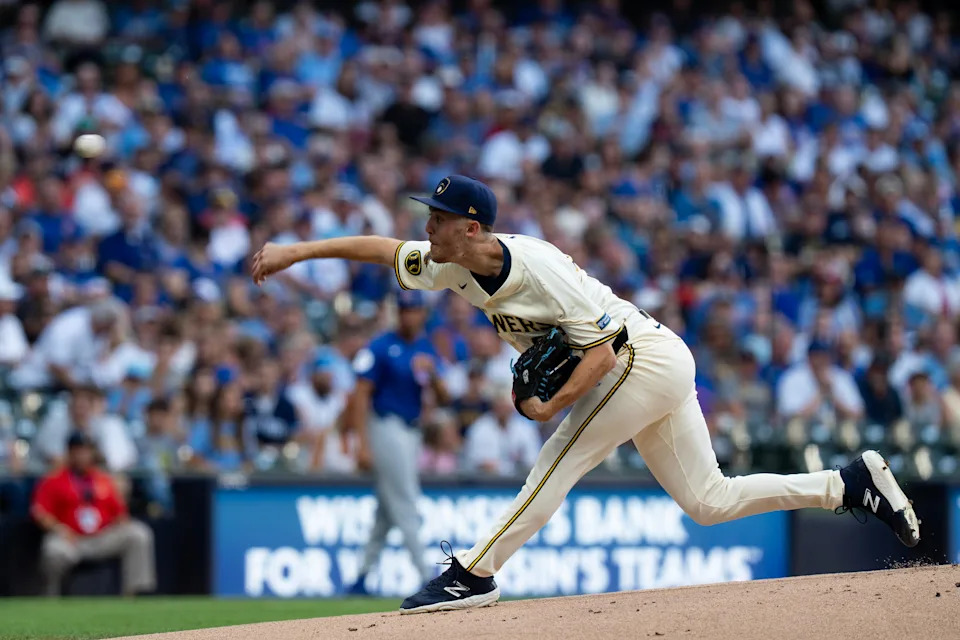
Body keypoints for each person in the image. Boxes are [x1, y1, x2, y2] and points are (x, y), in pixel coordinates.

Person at [251, 174, 921, 614]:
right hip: (647, 362)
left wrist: (550, 405)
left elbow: (600, 352)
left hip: (640, 357)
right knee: (709, 502)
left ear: (474, 227)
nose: (429, 225)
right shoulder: (448, 264)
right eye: (431, 215)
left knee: (559, 456)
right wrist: (294, 251)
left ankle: (474, 573)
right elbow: (379, 248)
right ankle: (846, 484)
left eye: (442, 217)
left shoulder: (537, 268)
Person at [344, 288, 449, 595]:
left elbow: (444, 398)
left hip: (412, 430)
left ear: (422, 314)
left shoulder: (426, 349)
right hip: (385, 425)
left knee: (386, 510)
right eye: (403, 310)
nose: (408, 315)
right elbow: (360, 395)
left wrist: (434, 375)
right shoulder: (380, 346)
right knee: (405, 498)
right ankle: (425, 574)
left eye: (413, 310)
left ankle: (362, 577)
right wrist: (361, 444)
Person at [31, 431, 156, 596]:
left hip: (101, 537)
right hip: (71, 539)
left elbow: (120, 514)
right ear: (69, 453)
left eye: (85, 450)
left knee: (138, 534)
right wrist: (58, 529)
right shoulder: (53, 480)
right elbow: (39, 512)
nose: (81, 455)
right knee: (53, 551)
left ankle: (136, 594)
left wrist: (121, 519)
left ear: (91, 453)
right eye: (77, 451)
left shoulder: (103, 479)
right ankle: (51, 598)